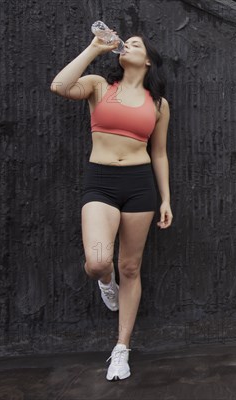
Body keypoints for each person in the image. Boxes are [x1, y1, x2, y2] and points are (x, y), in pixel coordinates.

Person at [50, 31, 173, 381]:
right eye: (125, 43)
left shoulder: (159, 104)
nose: (127, 46)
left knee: (130, 268)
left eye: (136, 44)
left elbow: (159, 153)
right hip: (100, 183)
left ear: (148, 60)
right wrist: (93, 47)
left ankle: (122, 348)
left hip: (139, 187)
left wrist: (165, 199)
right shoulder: (99, 86)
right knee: (99, 260)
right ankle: (105, 280)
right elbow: (59, 86)